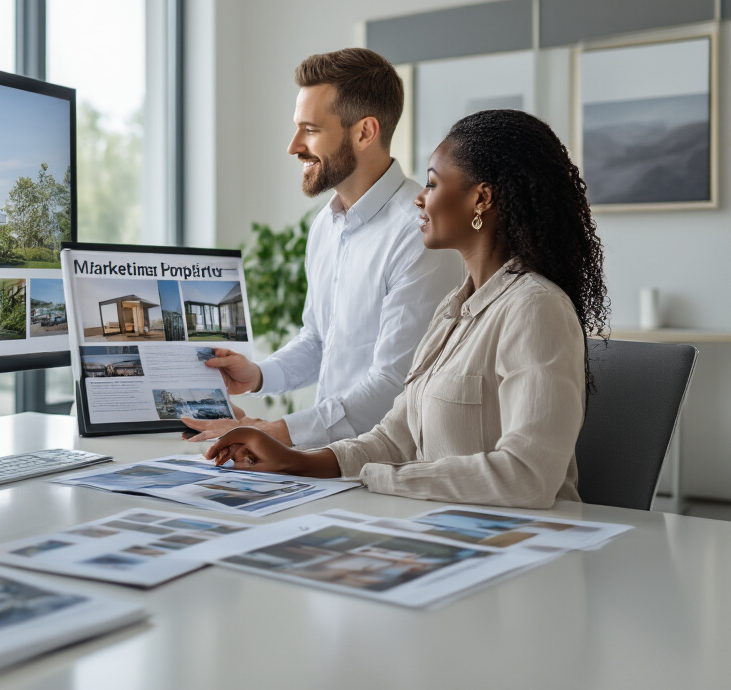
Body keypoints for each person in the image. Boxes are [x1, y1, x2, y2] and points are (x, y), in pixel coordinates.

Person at [204, 109, 610, 510]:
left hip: (526, 548)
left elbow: (527, 477)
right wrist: (294, 460)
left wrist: (376, 478)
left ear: (481, 199)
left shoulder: (535, 310)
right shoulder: (452, 311)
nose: (419, 197)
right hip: (446, 529)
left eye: (432, 184)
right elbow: (391, 440)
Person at [182, 48, 462, 448]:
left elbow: (394, 384)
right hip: (328, 462)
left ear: (365, 132)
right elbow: (318, 340)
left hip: (394, 469)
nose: (293, 146)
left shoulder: (419, 231)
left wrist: (274, 432)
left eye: (310, 129)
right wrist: (259, 374)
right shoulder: (326, 225)